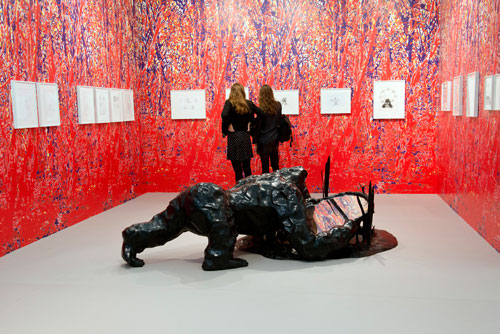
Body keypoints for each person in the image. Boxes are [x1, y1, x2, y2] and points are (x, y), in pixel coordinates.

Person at [221, 83, 260, 182]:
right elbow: (262, 113)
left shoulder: (229, 103)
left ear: (232, 92)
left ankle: (238, 193)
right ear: (242, 92)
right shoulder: (248, 103)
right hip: (245, 136)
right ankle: (250, 191)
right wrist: (251, 123)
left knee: (237, 169)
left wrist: (229, 124)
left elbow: (224, 115)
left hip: (233, 137)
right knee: (247, 167)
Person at [256, 85, 282, 174]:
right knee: (275, 166)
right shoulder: (278, 105)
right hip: (275, 138)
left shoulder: (261, 109)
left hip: (263, 140)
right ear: (271, 93)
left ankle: (267, 187)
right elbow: (278, 122)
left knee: (265, 169)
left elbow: (259, 127)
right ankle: (278, 186)